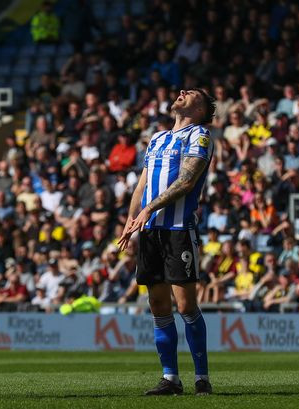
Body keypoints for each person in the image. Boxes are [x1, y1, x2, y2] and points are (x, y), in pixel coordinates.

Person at [118, 88, 215, 396]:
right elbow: (141, 185)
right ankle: (170, 378)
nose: (182, 92)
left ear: (200, 109)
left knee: (186, 305)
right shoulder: (158, 139)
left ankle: (202, 377)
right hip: (149, 231)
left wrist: (149, 208)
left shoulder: (200, 136)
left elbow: (187, 181)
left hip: (177, 229)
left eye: (192, 94)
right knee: (158, 305)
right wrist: (131, 218)